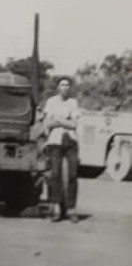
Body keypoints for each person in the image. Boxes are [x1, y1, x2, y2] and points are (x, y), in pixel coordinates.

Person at [42, 76, 81, 223]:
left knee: (73, 174)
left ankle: (71, 209)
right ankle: (57, 207)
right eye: (62, 85)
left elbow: (74, 124)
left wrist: (58, 120)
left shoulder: (73, 102)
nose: (65, 87)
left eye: (67, 85)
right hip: (55, 141)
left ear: (70, 88)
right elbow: (47, 123)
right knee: (55, 174)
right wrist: (64, 121)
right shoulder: (51, 102)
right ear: (58, 87)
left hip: (70, 140)